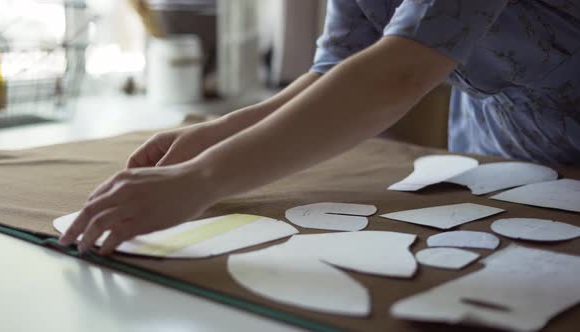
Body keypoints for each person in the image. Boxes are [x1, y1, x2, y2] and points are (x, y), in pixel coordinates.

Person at [59, 0, 580, 255]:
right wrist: (215, 136)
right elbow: (336, 70)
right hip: (501, 167)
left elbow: (397, 74)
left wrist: (202, 180)